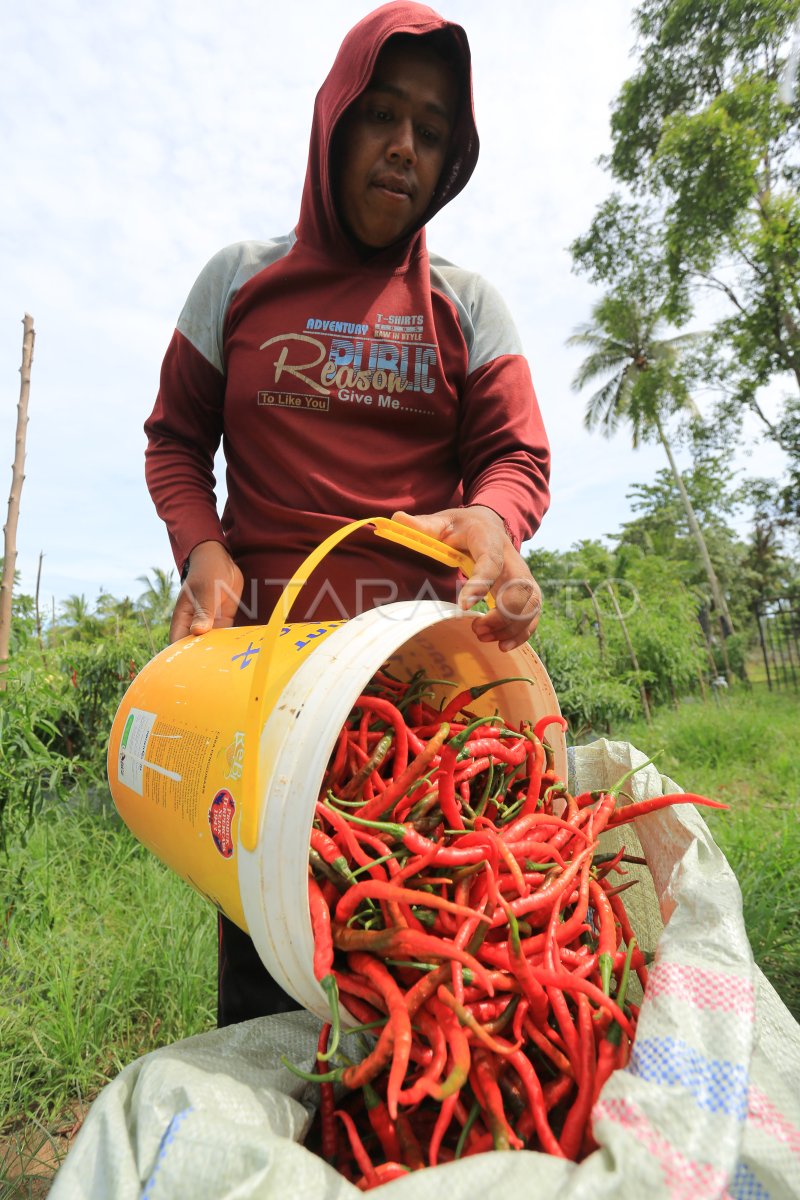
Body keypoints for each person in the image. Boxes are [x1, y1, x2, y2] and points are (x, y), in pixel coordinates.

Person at [144, 0, 551, 1026]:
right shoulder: (237, 285)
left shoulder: (465, 308)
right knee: (273, 984)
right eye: (382, 112)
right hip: (260, 705)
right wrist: (204, 550)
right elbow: (175, 442)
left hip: (420, 716)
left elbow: (513, 455)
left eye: (432, 129)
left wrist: (495, 523)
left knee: (426, 974)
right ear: (333, 117)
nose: (404, 146)